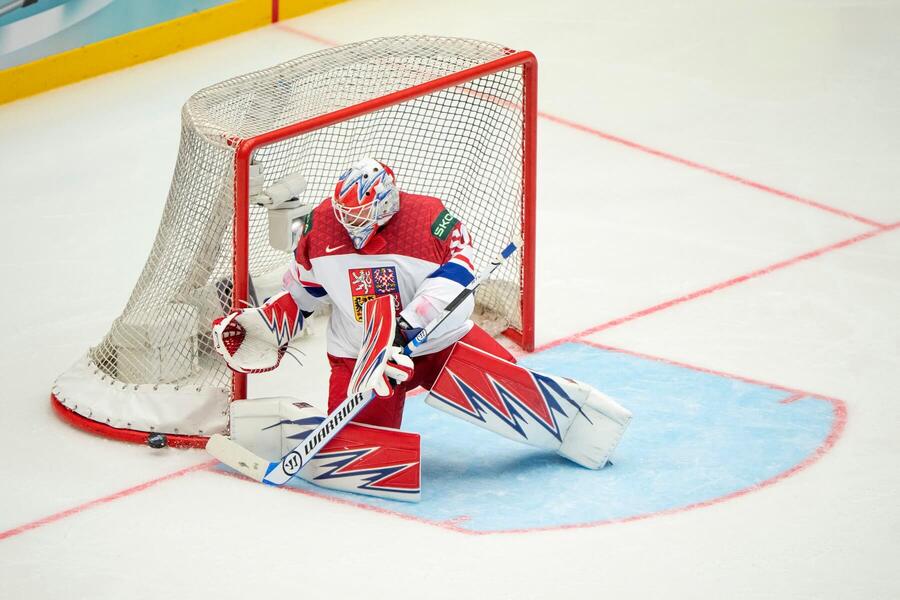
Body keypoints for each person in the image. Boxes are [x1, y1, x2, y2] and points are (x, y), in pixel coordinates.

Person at [212, 158, 514, 429]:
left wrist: (405, 330)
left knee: (515, 392)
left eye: (357, 216)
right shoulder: (320, 228)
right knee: (357, 438)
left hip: (439, 342)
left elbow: (454, 281)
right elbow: (304, 291)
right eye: (344, 213)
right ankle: (357, 432)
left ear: (384, 204)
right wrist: (271, 322)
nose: (348, 222)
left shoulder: (430, 219)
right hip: (361, 359)